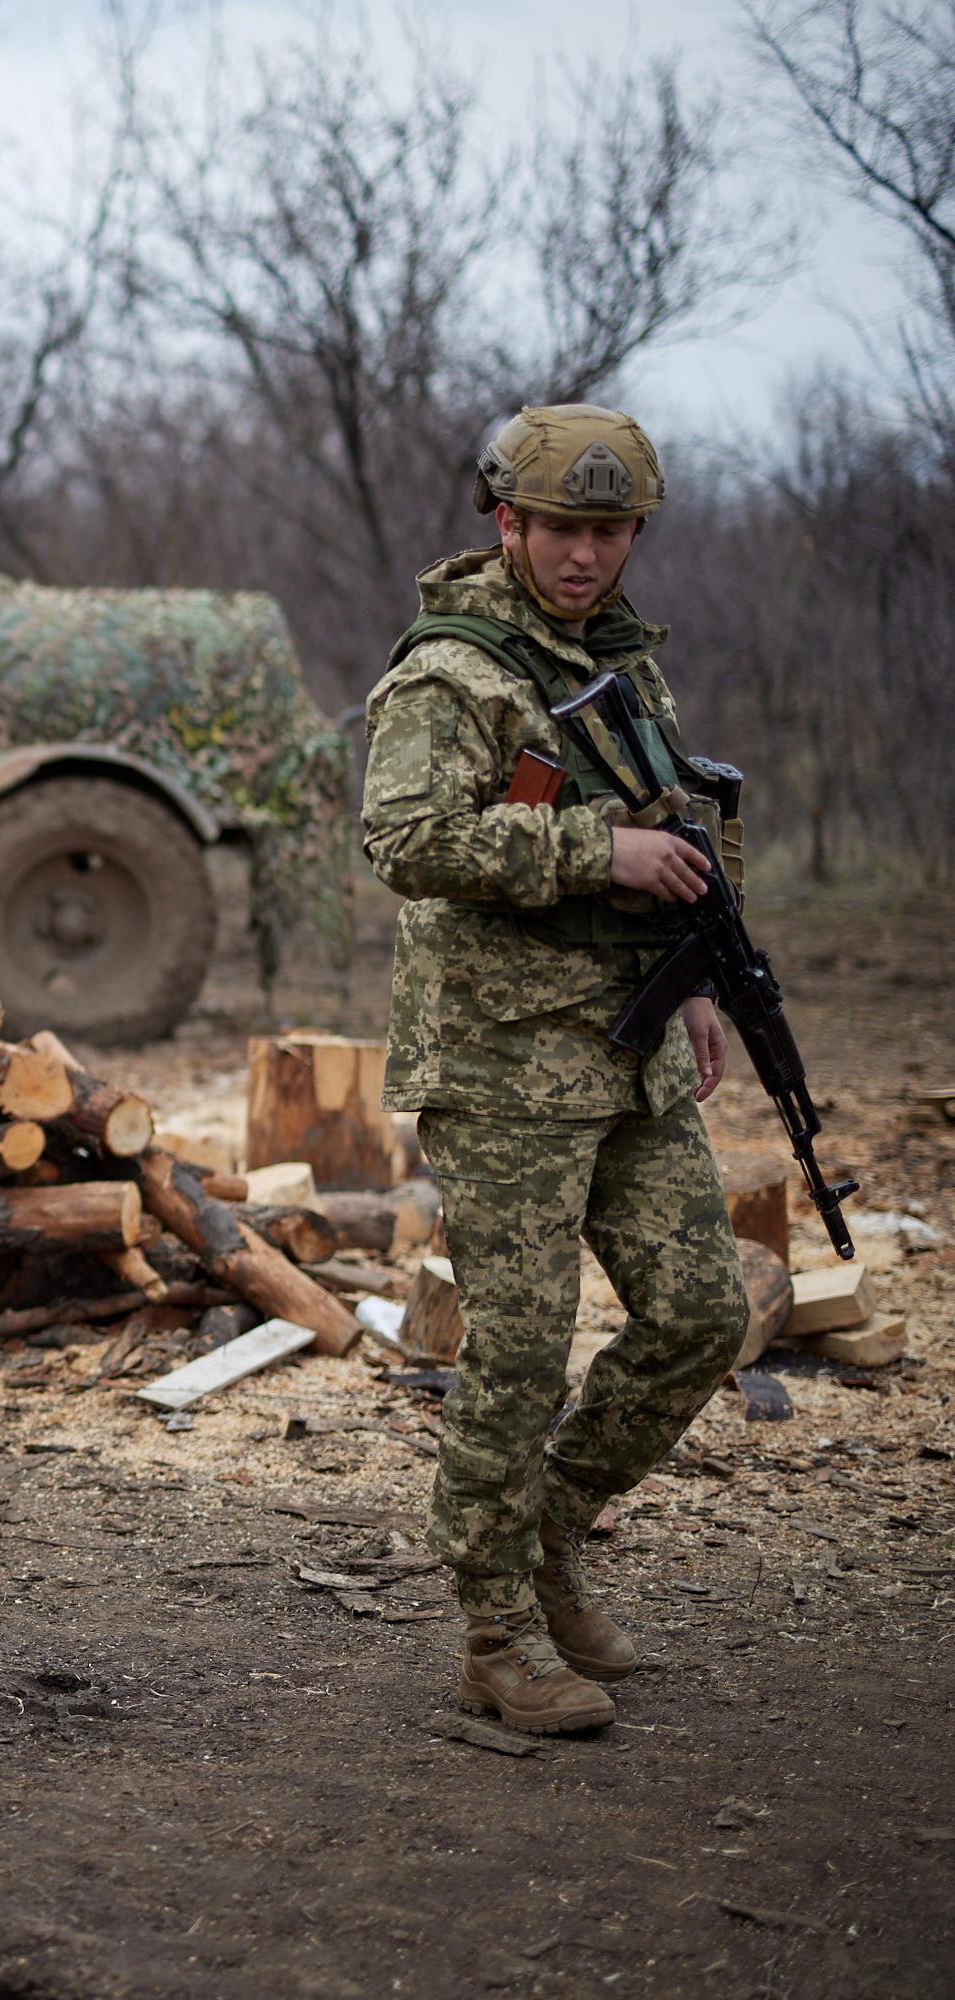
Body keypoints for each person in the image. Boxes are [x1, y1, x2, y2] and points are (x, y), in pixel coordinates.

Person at [361, 404, 750, 1735]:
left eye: (610, 531)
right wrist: (596, 854)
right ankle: (493, 1636)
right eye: (563, 530)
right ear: (506, 524)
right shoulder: (453, 670)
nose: (586, 557)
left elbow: (673, 821)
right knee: (520, 1360)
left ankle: (548, 1535)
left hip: (631, 1040)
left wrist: (698, 977)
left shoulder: (623, 660)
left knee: (703, 1313)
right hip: (505, 1061)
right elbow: (405, 839)